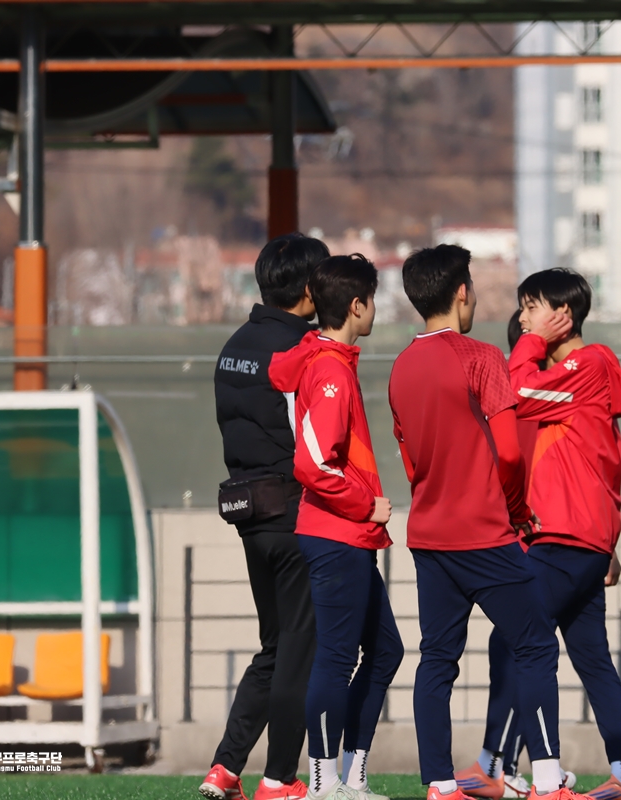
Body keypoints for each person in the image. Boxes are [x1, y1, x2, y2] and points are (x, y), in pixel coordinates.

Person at [387, 244, 575, 800]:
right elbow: (510, 453)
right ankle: (547, 783)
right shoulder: (482, 356)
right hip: (484, 533)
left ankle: (440, 785)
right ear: (463, 292)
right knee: (536, 645)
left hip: (429, 535)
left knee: (436, 661)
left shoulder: (400, 367)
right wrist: (515, 512)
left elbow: (410, 460)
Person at [458, 269, 621, 800]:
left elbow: (514, 393)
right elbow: (602, 464)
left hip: (565, 537)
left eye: (531, 307)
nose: (523, 318)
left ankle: (503, 768)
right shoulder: (576, 377)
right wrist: (609, 544)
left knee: (515, 637)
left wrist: (532, 343)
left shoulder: (590, 363)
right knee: (592, 659)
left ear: (563, 313)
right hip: (581, 540)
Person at [268, 254, 404, 800]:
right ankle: (326, 783)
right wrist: (365, 505)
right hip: (336, 533)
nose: (375, 309)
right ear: (356, 306)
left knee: (386, 651)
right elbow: (312, 464)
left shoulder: (328, 360)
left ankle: (352, 777)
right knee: (336, 657)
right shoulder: (329, 371)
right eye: (372, 300)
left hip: (345, 535)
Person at [202, 234, 327, 800]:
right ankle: (280, 777)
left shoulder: (235, 343)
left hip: (250, 512)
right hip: (295, 511)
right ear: (309, 289)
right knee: (300, 648)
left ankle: (225, 768)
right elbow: (312, 439)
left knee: (274, 646)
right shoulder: (302, 348)